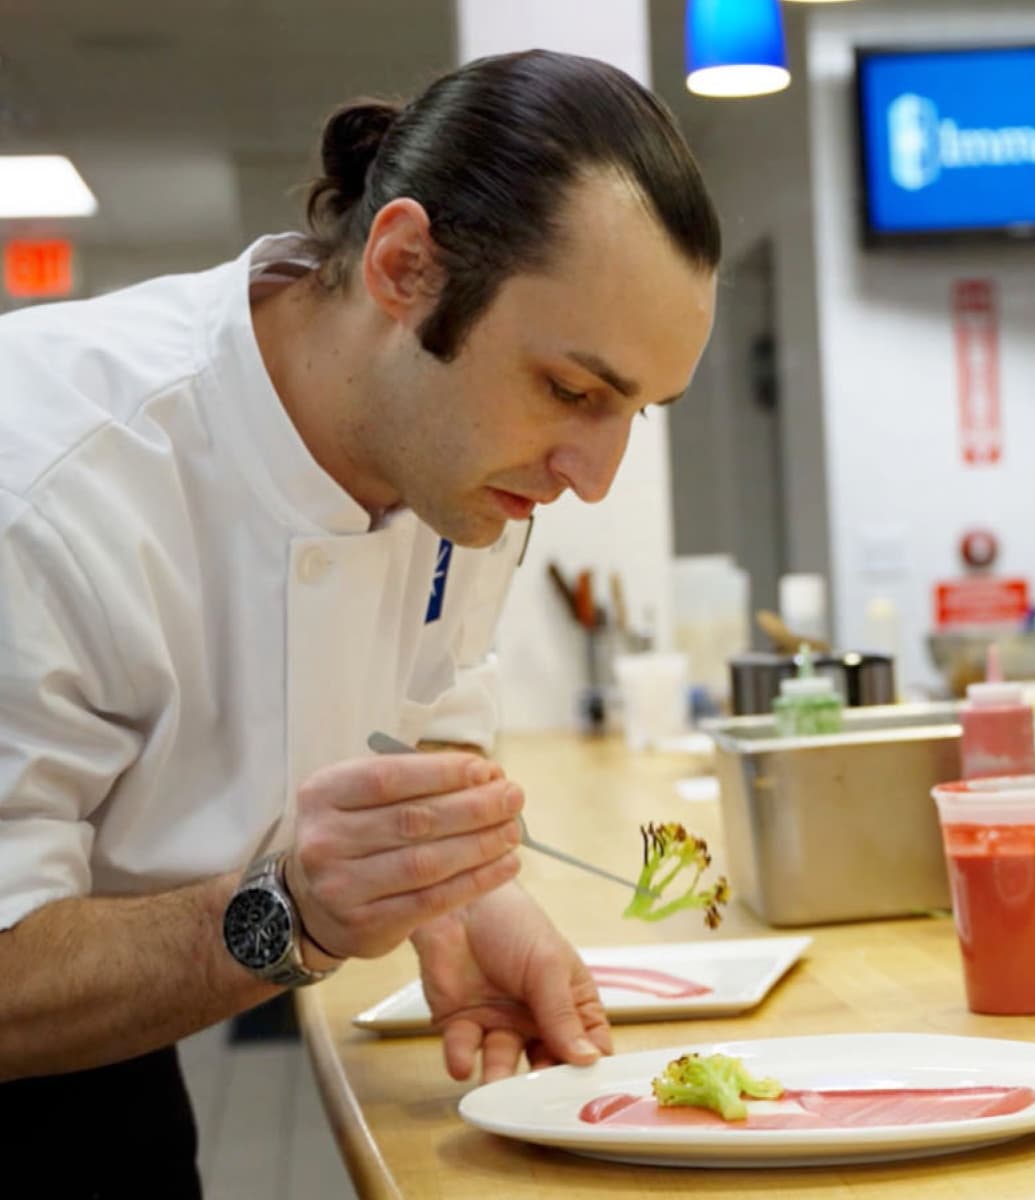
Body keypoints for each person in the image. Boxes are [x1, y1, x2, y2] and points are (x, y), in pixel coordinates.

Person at [0, 48, 720, 1195]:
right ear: (404, 268)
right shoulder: (47, 483)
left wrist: (460, 899)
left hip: (109, 1050)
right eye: (572, 391)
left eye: (635, 408)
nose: (594, 474)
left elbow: (429, 715)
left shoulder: (455, 463)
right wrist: (298, 913)